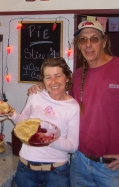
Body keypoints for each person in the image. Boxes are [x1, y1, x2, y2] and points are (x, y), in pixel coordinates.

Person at [28, 21, 119, 187]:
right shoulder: (77, 76)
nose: (88, 44)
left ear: (104, 42)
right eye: (83, 40)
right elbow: (59, 96)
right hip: (79, 162)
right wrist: (42, 86)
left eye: (94, 39)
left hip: (111, 167)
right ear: (78, 45)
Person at [9, 57, 80, 187]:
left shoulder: (73, 107)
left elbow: (73, 146)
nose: (53, 82)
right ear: (43, 80)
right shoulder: (35, 94)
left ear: (67, 77)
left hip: (57, 172)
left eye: (58, 76)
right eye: (48, 77)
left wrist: (47, 141)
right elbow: (23, 122)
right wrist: (11, 114)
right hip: (26, 168)